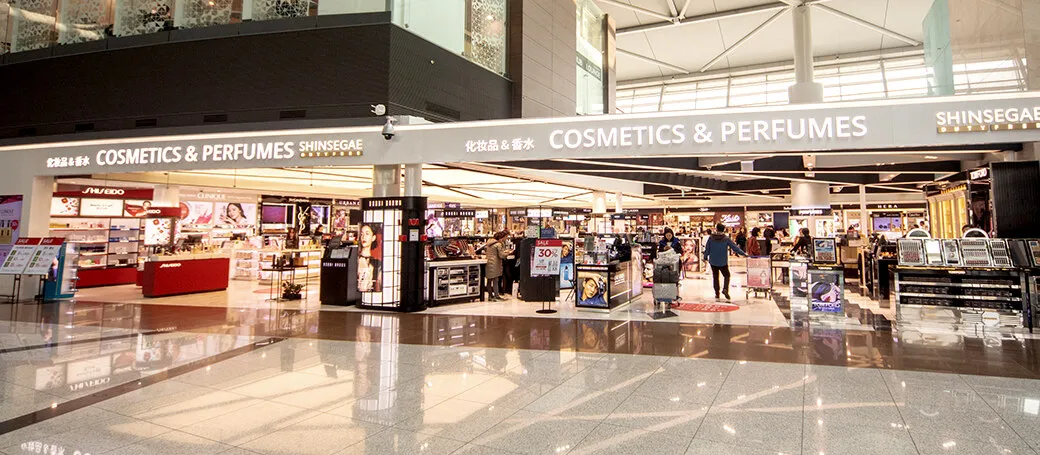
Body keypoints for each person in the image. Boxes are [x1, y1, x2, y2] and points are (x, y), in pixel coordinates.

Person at [703, 223, 747, 300]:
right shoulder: (726, 238)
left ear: (716, 229)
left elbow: (707, 248)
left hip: (713, 261)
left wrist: (705, 256)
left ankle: (717, 293)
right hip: (722, 261)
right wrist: (743, 253)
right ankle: (725, 289)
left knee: (715, 277)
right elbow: (735, 247)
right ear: (723, 230)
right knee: (727, 275)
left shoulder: (711, 238)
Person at [484, 231, 513, 301]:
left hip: (489, 262)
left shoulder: (489, 243)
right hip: (495, 263)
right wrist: (508, 253)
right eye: (505, 237)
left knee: (489, 280)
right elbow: (501, 255)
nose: (505, 239)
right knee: (495, 280)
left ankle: (490, 296)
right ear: (501, 238)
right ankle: (496, 296)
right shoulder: (498, 244)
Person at [357, 224, 381, 292]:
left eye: (367, 234)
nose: (363, 237)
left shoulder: (377, 263)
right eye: (361, 234)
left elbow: (378, 287)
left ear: (373, 238)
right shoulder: (356, 260)